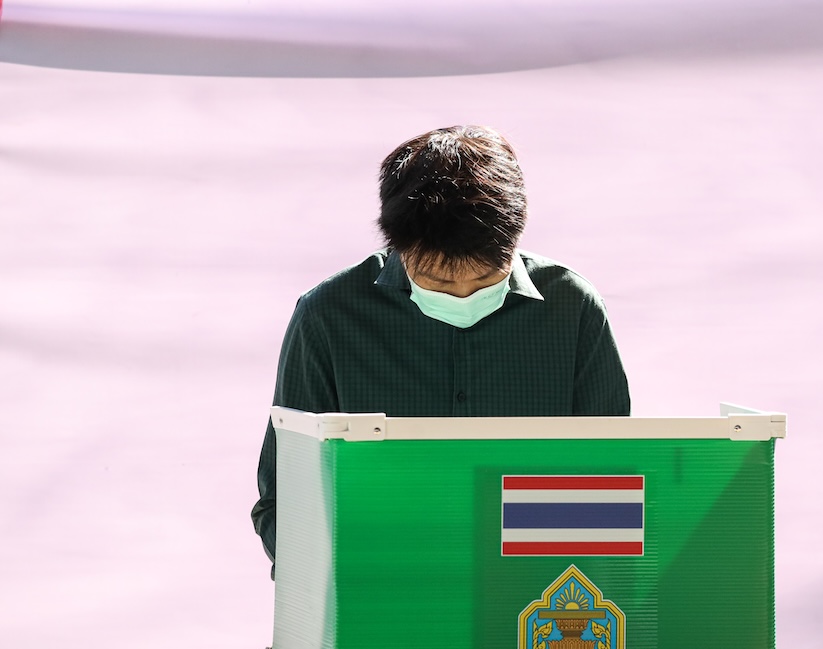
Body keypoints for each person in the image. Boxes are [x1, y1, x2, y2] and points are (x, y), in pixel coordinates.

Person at [250, 125, 630, 578]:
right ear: (397, 245)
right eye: (437, 281)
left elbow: (610, 487)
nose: (463, 294)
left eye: (486, 279)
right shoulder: (329, 316)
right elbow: (283, 502)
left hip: (535, 598)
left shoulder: (572, 308)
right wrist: (354, 570)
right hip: (381, 590)